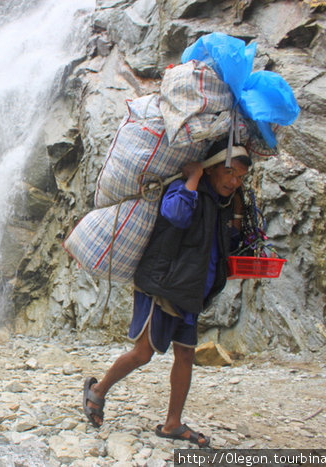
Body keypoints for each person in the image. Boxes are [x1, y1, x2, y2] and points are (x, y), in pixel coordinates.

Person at [82, 139, 252, 448]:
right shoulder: (184, 190)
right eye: (229, 172)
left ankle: (172, 423)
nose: (233, 181)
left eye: (239, 177)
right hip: (162, 284)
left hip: (190, 291)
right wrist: (192, 178)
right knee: (143, 353)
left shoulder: (222, 204)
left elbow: (224, 245)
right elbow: (175, 214)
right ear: (211, 169)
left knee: (185, 353)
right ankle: (97, 391)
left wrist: (238, 218)